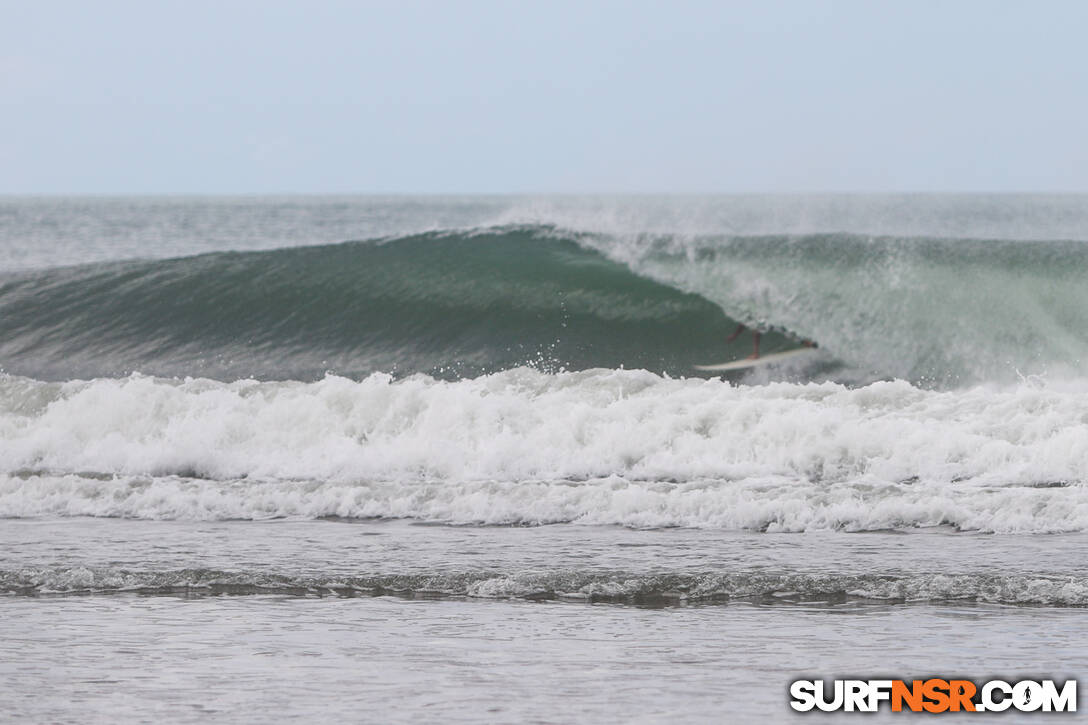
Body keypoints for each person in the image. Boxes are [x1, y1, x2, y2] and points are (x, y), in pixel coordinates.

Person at [727, 323, 816, 360]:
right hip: (771, 317)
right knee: (787, 331)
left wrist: (735, 335)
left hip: (769, 318)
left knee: (757, 330)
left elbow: (743, 323)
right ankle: (808, 343)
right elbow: (744, 323)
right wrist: (735, 335)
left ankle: (755, 353)